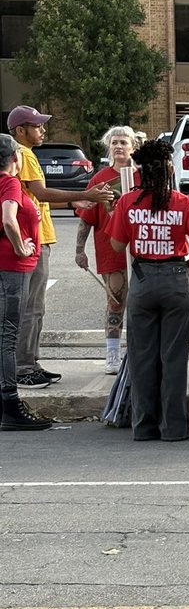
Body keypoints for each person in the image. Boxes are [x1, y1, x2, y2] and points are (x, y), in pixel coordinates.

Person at [108, 138, 189, 442]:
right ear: (169, 170)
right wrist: (188, 265)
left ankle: (144, 426)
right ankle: (175, 428)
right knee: (174, 358)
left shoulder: (128, 202)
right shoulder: (185, 202)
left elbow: (116, 244)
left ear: (141, 171)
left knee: (142, 357)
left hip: (142, 279)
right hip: (176, 276)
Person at [8, 104, 113, 388]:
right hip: (35, 239)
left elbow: (36, 197)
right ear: (21, 130)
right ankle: (23, 368)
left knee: (35, 307)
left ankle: (30, 361)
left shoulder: (24, 155)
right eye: (37, 126)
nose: (43, 130)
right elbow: (41, 191)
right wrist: (85, 192)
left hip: (38, 237)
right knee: (31, 307)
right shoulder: (25, 155)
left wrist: (71, 201)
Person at [75, 125, 141, 374]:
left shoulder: (143, 177)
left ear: (132, 147)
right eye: (114, 142)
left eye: (124, 142)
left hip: (142, 250)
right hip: (110, 250)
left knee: (142, 304)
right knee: (116, 302)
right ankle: (113, 354)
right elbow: (86, 217)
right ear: (109, 147)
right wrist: (79, 250)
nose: (119, 146)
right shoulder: (100, 179)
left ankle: (138, 353)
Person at [0, 134, 52, 431]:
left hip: (6, 267)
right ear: (14, 159)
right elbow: (9, 218)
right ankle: (10, 405)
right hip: (12, 267)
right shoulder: (9, 182)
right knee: (8, 335)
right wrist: (20, 245)